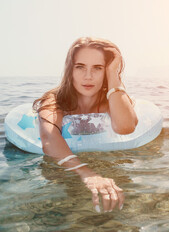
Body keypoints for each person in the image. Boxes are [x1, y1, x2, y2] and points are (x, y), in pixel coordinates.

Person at [33, 37, 138, 213]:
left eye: (98, 68)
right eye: (80, 67)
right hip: (62, 174)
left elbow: (125, 128)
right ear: (70, 70)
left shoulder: (112, 100)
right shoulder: (54, 100)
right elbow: (49, 139)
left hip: (111, 167)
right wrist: (88, 174)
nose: (88, 76)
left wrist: (113, 75)